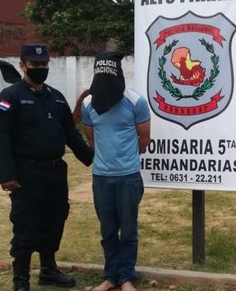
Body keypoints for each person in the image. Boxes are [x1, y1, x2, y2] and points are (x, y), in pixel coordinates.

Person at [0, 44, 94, 291]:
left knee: (55, 220)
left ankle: (48, 270)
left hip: (55, 172)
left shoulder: (56, 97)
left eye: (44, 65)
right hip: (27, 173)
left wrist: (91, 158)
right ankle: (21, 279)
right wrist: (6, 174)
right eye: (35, 65)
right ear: (23, 66)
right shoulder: (10, 97)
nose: (41, 69)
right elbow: (1, 137)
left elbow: (70, 133)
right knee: (26, 224)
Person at [80, 52, 151, 291]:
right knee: (108, 230)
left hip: (128, 177)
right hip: (101, 178)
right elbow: (92, 140)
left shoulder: (136, 101)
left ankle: (127, 278)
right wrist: (107, 159)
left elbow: (145, 138)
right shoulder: (88, 104)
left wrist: (126, 159)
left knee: (128, 230)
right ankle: (110, 277)